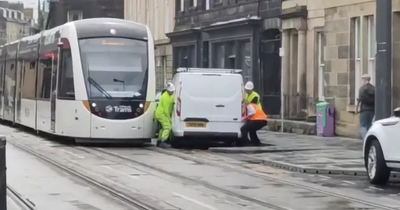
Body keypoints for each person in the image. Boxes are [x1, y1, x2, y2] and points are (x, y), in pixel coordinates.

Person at [155, 82, 175, 148]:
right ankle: (163, 141)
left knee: (162, 128)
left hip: (159, 113)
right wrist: (169, 119)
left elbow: (172, 100)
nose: (172, 92)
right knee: (167, 127)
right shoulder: (166, 97)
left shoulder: (168, 95)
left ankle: (159, 141)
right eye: (171, 91)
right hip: (162, 114)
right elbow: (166, 110)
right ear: (168, 90)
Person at [356, 74, 375, 140]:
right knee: (370, 125)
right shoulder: (374, 88)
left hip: (364, 109)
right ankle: (370, 139)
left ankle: (365, 140)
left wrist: (356, 109)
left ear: (364, 80)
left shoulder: (362, 88)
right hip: (372, 110)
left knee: (363, 125)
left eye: (362, 79)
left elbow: (359, 99)